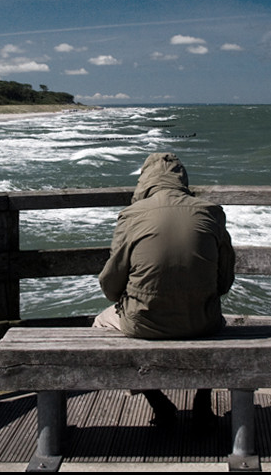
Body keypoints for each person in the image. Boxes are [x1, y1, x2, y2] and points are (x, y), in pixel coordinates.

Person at [93, 152, 235, 427]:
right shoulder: (211, 212)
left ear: (145, 181)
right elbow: (224, 282)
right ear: (182, 179)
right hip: (202, 322)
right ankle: (202, 402)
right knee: (219, 324)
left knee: (101, 324)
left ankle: (158, 402)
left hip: (144, 324)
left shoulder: (131, 215)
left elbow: (110, 287)